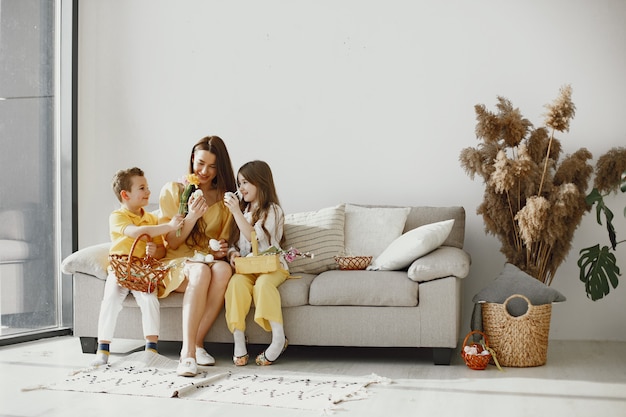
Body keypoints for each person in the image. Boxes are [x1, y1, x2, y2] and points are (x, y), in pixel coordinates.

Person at [158, 135, 237, 376]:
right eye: (200, 163)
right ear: (192, 159)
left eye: (212, 167)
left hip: (205, 259)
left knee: (223, 270)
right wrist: (191, 216)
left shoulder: (225, 199)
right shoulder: (174, 190)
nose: (204, 171)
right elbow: (170, 242)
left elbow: (219, 245)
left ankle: (197, 343)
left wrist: (220, 250)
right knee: (201, 271)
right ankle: (188, 354)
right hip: (176, 260)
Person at [93, 167, 184, 366]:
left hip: (143, 271)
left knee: (149, 298)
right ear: (125, 195)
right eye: (142, 188)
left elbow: (161, 250)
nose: (148, 192)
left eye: (147, 187)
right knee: (110, 300)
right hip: (120, 268)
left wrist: (154, 251)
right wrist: (170, 226)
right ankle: (103, 350)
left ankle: (151, 349)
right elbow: (137, 232)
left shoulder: (152, 218)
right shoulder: (117, 216)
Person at [224, 160, 290, 366]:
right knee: (235, 285)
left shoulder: (273, 210)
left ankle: (279, 339)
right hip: (248, 268)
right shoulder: (242, 213)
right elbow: (235, 243)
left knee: (263, 285)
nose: (240, 188)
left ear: (260, 183)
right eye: (239, 183)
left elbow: (257, 238)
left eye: (245, 182)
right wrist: (232, 255)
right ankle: (238, 340)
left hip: (273, 266)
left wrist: (235, 212)